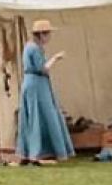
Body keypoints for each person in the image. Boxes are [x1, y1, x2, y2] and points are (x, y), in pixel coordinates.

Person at [16, 19, 73, 165]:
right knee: (43, 115)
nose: (49, 37)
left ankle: (36, 151)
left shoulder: (31, 47)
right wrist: (56, 58)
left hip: (34, 83)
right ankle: (36, 152)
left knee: (38, 116)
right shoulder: (34, 49)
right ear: (41, 34)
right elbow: (43, 68)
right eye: (47, 34)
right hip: (36, 84)